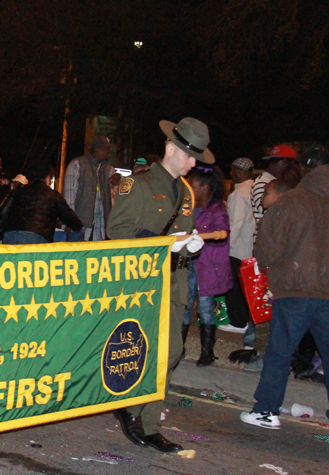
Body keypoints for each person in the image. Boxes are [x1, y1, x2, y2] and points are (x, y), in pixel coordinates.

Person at [107, 117, 210, 453]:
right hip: (145, 282)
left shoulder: (186, 191)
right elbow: (117, 231)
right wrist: (167, 243)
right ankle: (132, 410)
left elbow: (183, 234)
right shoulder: (137, 185)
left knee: (167, 353)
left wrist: (190, 246)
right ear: (170, 148)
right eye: (189, 155)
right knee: (163, 351)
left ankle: (148, 423)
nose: (194, 163)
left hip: (175, 281)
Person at [240, 145, 329, 430]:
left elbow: (266, 252)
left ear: (304, 168)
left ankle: (266, 410)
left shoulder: (293, 201)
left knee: (279, 352)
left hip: (295, 289)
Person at [182, 166, 231, 366]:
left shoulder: (217, 210)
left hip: (207, 266)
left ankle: (207, 352)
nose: (189, 189)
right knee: (185, 305)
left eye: (192, 185)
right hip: (191, 263)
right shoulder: (190, 207)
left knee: (205, 308)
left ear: (204, 187)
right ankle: (179, 348)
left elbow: (222, 234)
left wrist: (198, 237)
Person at [0, 161, 82, 244]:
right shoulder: (53, 196)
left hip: (11, 236)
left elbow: (3, 212)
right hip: (37, 238)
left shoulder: (17, 191)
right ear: (47, 177)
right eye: (50, 178)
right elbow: (70, 218)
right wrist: (78, 226)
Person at [223, 157, 259, 363]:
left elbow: (234, 225)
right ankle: (246, 320)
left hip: (238, 248)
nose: (232, 172)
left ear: (238, 170)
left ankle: (238, 322)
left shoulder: (239, 194)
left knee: (235, 287)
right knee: (249, 289)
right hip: (250, 247)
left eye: (233, 169)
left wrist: (225, 248)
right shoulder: (256, 189)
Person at [64, 135, 115, 241]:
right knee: (76, 256)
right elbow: (69, 196)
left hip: (99, 227)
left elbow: (122, 186)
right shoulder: (77, 164)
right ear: (97, 149)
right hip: (79, 227)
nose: (108, 152)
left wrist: (118, 178)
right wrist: (69, 222)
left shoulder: (108, 169)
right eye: (106, 148)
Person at [251, 144, 297, 234]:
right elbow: (267, 213)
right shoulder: (263, 183)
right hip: (269, 239)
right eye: (293, 165)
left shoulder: (273, 182)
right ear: (283, 163)